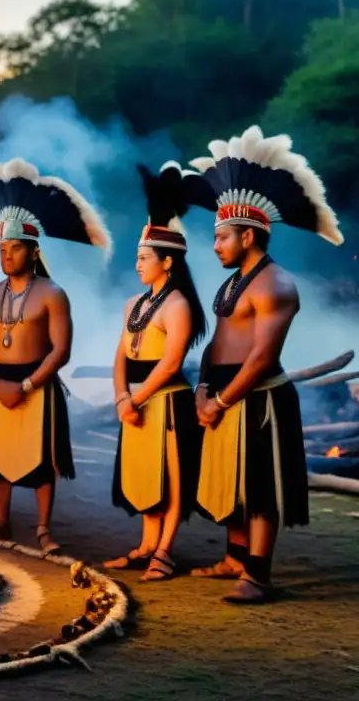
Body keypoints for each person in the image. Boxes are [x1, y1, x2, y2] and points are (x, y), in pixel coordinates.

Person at [187, 125, 344, 604]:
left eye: (222, 237)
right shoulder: (234, 284)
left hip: (260, 398)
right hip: (221, 392)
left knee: (258, 487)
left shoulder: (276, 284)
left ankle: (257, 576)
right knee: (228, 483)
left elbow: (262, 355)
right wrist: (201, 389)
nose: (215, 246)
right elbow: (218, 340)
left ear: (249, 235)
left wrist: (223, 400)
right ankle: (235, 559)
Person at [0, 158, 110, 548]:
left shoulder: (53, 294)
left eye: (15, 248)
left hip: (38, 382)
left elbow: (62, 350)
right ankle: (1, 520)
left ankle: (43, 529)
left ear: (33, 252)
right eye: (2, 248)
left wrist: (26, 384)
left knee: (41, 460)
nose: (7, 256)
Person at [102, 162, 213, 580]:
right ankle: (146, 544)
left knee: (170, 478)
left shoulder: (179, 305)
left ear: (167, 262)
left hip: (166, 403)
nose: (137, 264)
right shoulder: (134, 304)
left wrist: (136, 398)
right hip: (135, 400)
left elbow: (170, 362)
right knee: (144, 476)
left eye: (144, 257)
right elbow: (120, 356)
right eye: (137, 257)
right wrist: (120, 398)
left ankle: (164, 551)